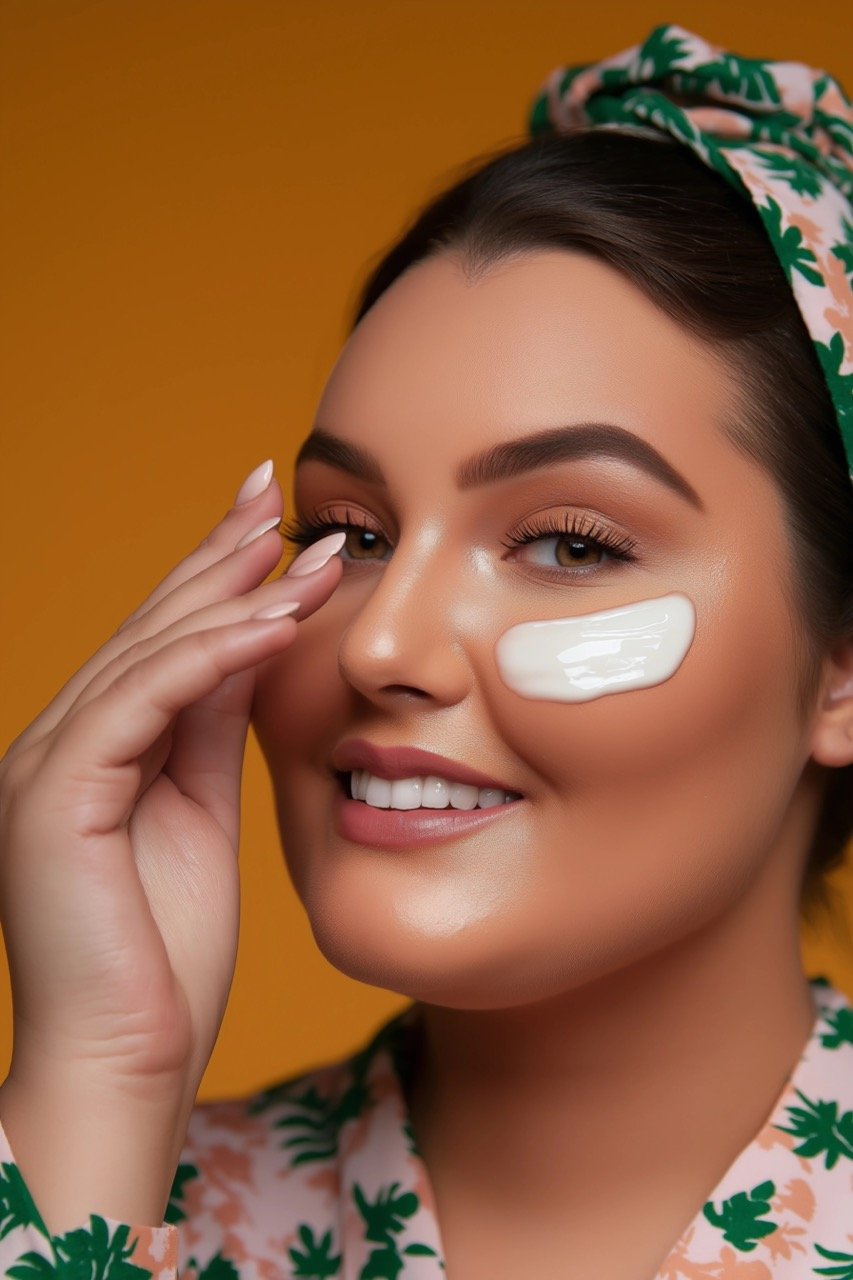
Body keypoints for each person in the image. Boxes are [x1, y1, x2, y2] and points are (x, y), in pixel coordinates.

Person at [0, 23, 851, 1280]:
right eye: (350, 531)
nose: (381, 638)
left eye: (566, 544)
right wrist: (97, 1078)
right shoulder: (105, 1194)